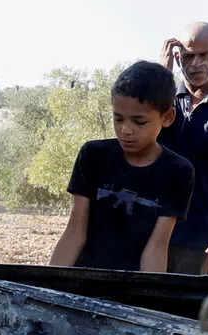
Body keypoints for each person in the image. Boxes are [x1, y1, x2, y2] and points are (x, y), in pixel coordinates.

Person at [50, 61, 193, 272]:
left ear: (167, 117)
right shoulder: (93, 155)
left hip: (132, 286)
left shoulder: (178, 172)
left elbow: (157, 247)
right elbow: (74, 233)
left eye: (139, 122)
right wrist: (49, 286)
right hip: (82, 279)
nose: (125, 130)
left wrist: (146, 296)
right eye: (118, 119)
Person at [159, 21, 208, 273]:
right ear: (177, 56)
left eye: (203, 54)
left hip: (200, 239)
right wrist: (161, 78)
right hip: (151, 231)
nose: (195, 64)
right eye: (187, 55)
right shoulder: (161, 101)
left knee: (180, 309)